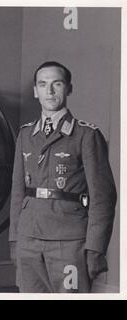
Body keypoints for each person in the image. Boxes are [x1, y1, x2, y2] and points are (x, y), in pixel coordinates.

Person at [9, 61, 117, 293]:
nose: (49, 91)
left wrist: (95, 248)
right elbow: (18, 192)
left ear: (69, 88)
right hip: (29, 239)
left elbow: (103, 197)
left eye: (56, 84)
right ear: (35, 91)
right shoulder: (26, 134)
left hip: (69, 241)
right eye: (43, 84)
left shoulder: (86, 135)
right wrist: (14, 240)